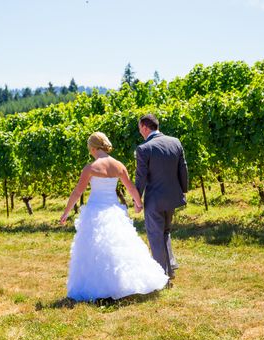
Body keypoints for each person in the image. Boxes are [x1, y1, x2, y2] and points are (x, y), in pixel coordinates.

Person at [60, 132, 168, 302]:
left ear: (94, 148)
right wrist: (138, 203)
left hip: (95, 210)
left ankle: (100, 287)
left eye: (90, 148)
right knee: (120, 247)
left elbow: (77, 192)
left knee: (95, 250)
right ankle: (122, 284)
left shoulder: (90, 168)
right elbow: (131, 187)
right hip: (114, 209)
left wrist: (66, 212)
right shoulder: (119, 165)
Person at [135, 114, 188, 280]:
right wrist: (183, 190)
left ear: (145, 127)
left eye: (140, 129)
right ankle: (170, 267)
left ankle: (160, 275)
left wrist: (137, 200)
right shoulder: (175, 142)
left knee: (155, 236)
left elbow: (141, 177)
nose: (140, 132)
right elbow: (183, 169)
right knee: (165, 232)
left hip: (155, 199)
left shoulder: (144, 148)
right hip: (172, 196)